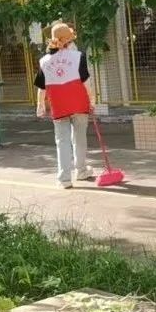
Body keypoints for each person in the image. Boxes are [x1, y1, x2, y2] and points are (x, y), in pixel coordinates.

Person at [35, 23, 95, 189]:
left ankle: (64, 179)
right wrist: (92, 100)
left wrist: (40, 105)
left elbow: (41, 88)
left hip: (59, 105)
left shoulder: (44, 61)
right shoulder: (78, 56)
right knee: (79, 138)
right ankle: (81, 170)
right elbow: (86, 83)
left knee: (62, 141)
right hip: (79, 103)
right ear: (69, 40)